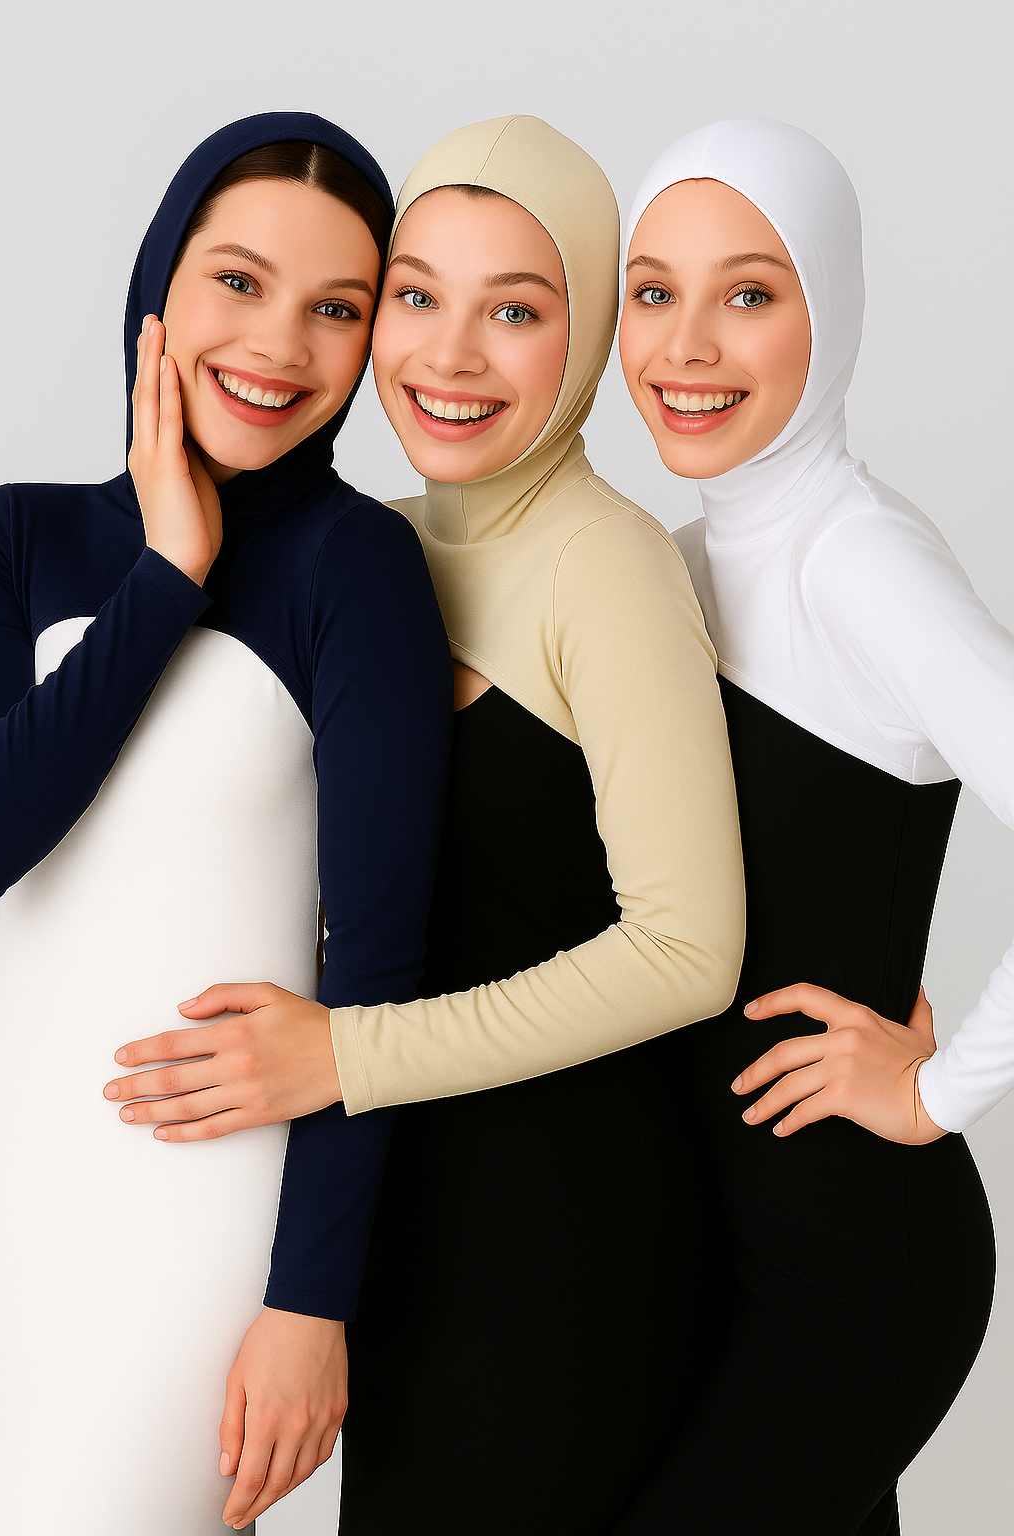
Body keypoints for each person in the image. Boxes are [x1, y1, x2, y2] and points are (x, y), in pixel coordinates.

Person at [106, 115, 746, 1535]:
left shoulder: (606, 564)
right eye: (414, 296)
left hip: (565, 1233)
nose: (449, 356)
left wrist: (346, 1052)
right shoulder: (367, 547)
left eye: (514, 311)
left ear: (586, 335)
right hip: (405, 1222)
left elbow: (690, 949)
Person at [0, 112, 452, 1534]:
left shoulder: (357, 567)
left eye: (337, 309)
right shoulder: (18, 537)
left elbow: (380, 966)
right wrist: (168, 571)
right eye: (239, 283)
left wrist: (311, 1303)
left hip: (183, 1233)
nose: (278, 346)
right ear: (159, 288)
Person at [614, 116, 1000, 1535]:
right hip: (725, 1251)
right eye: (653, 292)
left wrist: (941, 1089)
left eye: (749, 293)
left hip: (853, 1269)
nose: (687, 346)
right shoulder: (678, 561)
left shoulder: (856, 558)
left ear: (828, 312)